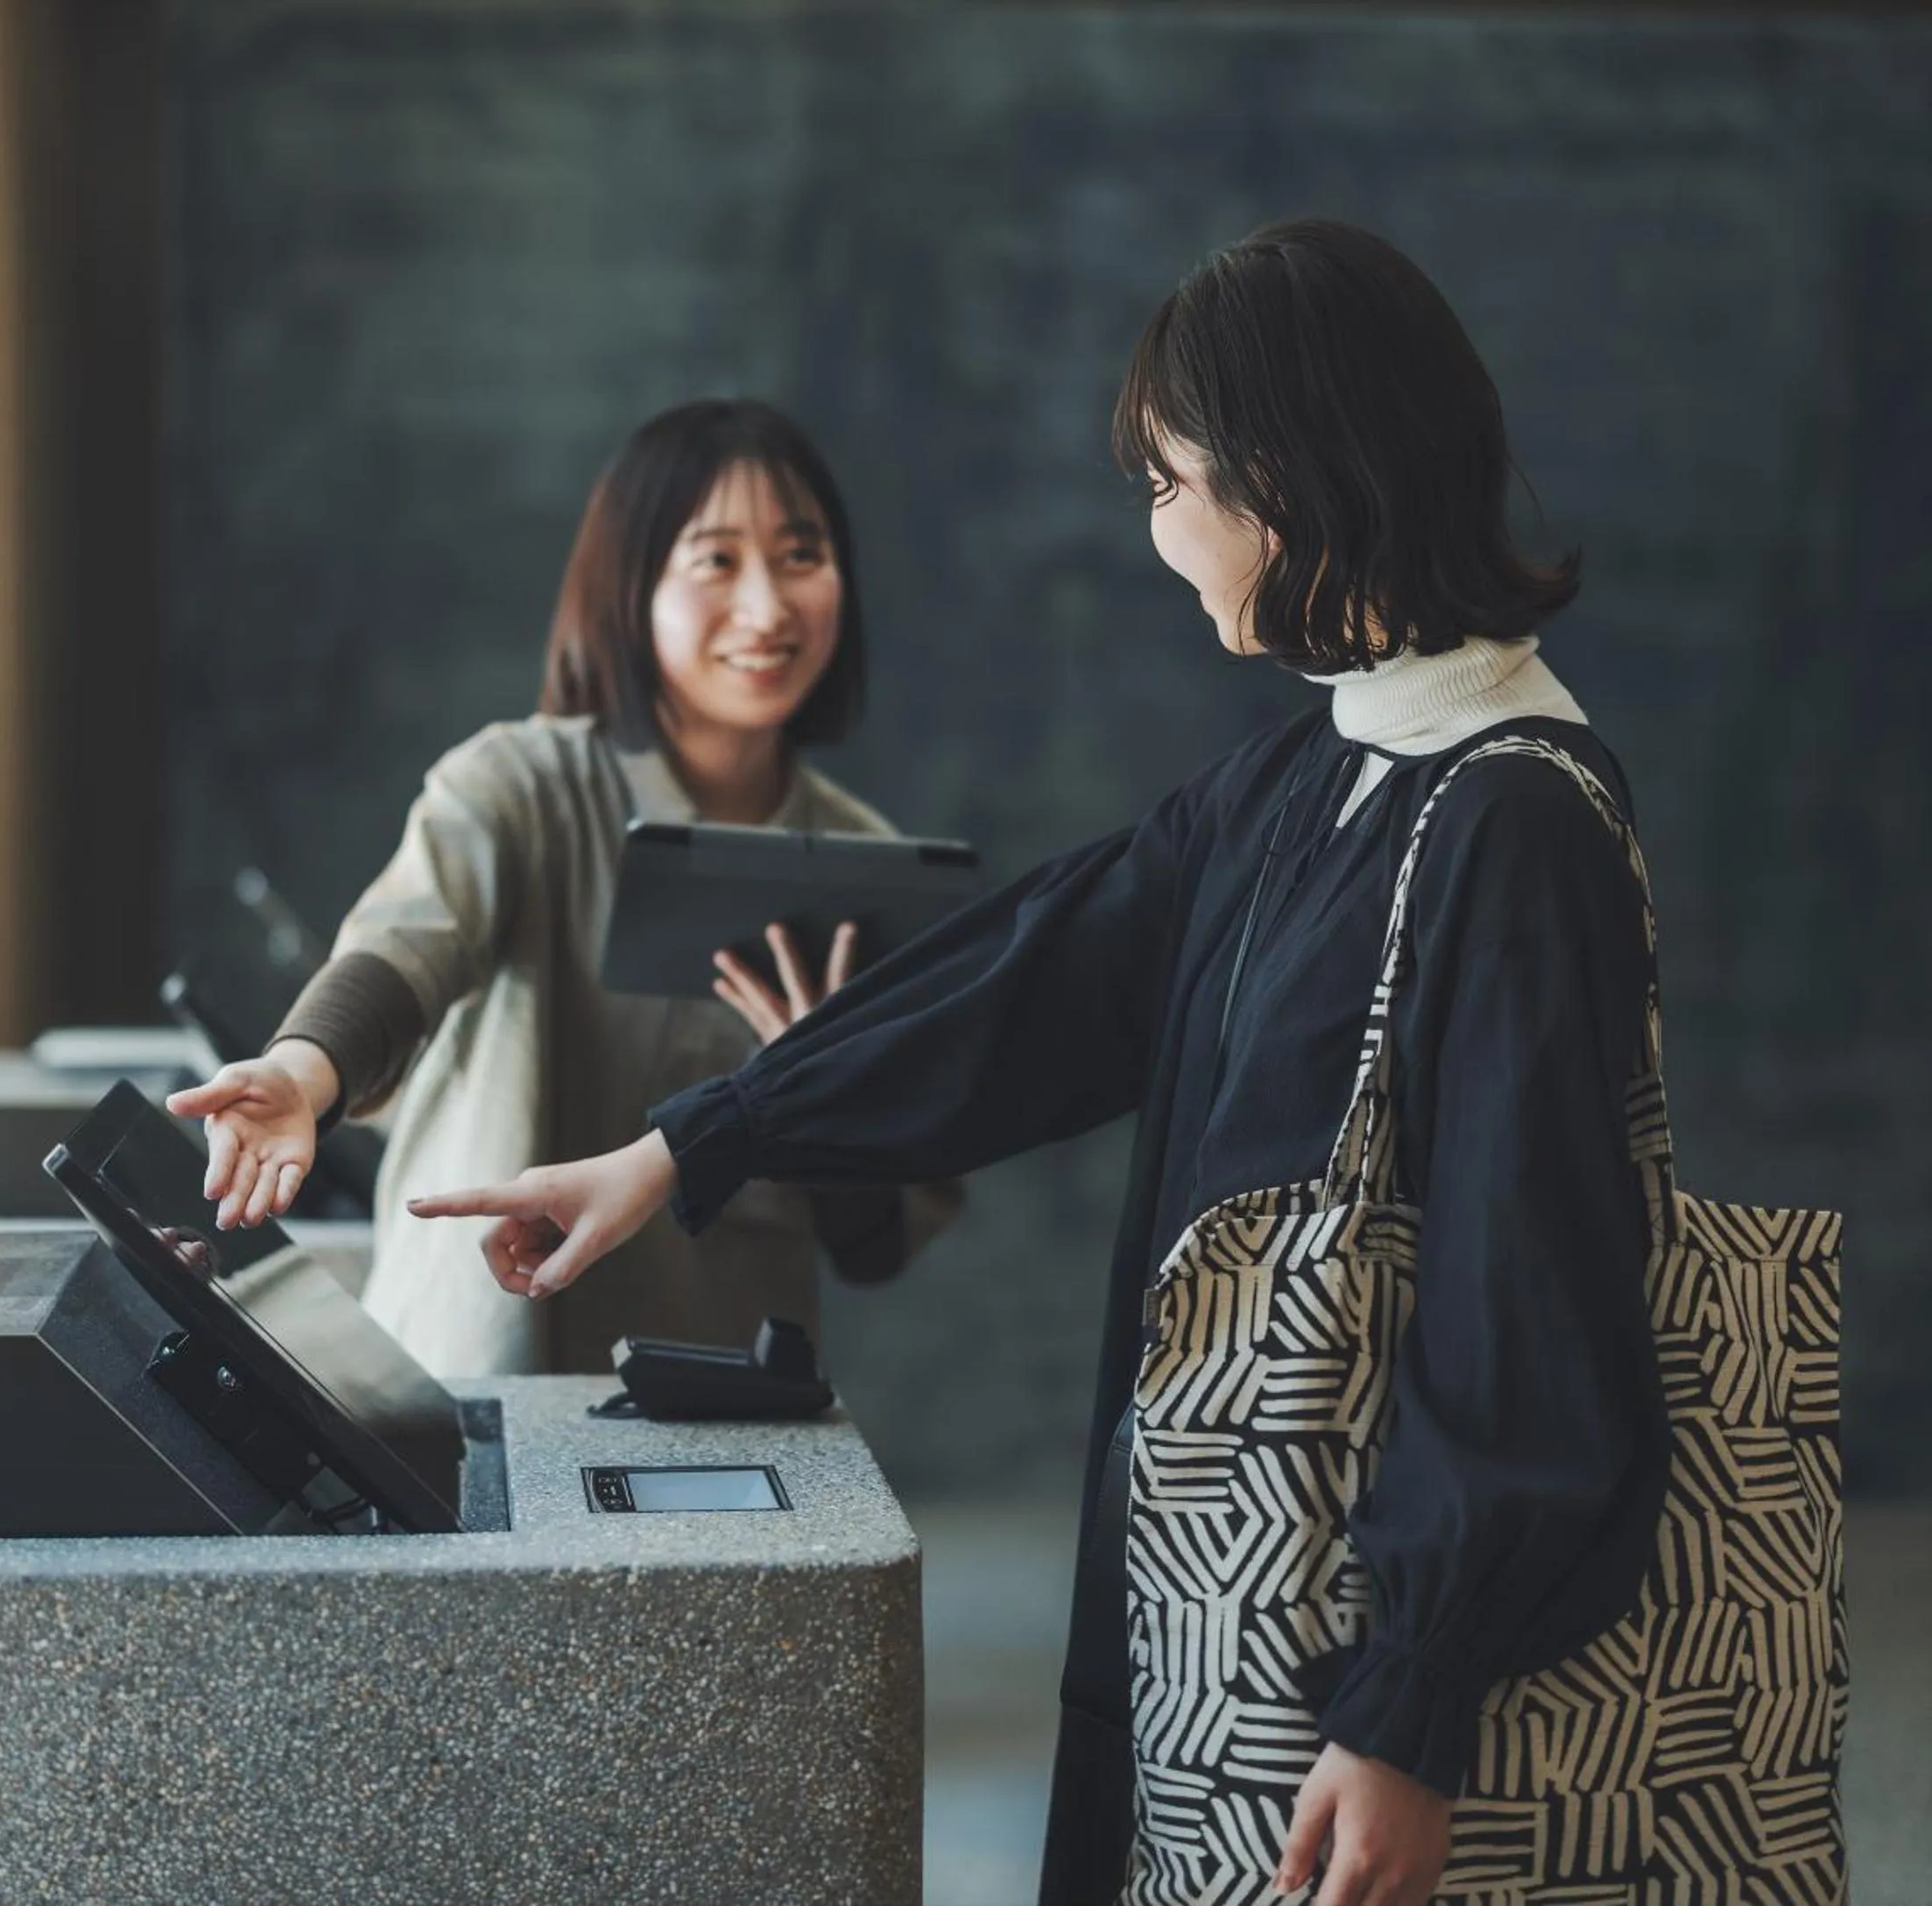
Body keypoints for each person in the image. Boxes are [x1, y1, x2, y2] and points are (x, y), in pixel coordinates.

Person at [408, 224, 1674, 1903]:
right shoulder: (1320, 767)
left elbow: (1531, 1301)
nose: (1156, 533)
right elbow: (1034, 977)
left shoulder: (1514, 821)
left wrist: (1414, 1704)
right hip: (1234, 1597)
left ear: (1286, 475)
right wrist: (680, 1151)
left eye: (1169, 483)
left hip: (1360, 1673)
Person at [168, 399, 962, 1377]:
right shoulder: (520, 785)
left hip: (711, 1402)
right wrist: (300, 1070)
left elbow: (878, 1241)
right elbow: (409, 948)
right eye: (716, 560)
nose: (767, 606)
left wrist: (822, 1091)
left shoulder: (866, 863)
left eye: (802, 555)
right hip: (474, 1368)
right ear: (629, 590)